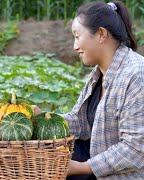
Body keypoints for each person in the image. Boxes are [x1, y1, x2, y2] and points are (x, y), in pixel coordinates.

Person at [63, 1, 144, 179]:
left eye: (77, 36)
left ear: (101, 34)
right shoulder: (99, 74)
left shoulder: (136, 74)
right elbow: (81, 122)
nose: (75, 47)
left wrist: (81, 168)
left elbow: (136, 149)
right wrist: (42, 118)